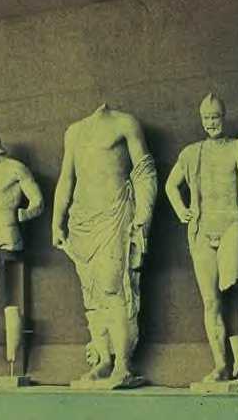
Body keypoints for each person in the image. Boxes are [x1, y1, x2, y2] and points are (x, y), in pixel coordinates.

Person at [52, 103, 157, 386]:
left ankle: (123, 363)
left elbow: (144, 170)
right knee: (91, 295)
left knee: (114, 287)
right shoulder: (74, 132)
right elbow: (66, 178)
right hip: (82, 219)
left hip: (114, 213)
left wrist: (143, 215)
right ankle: (103, 360)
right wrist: (56, 221)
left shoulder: (125, 123)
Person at [165, 93, 238, 382]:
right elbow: (171, 186)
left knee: (233, 286)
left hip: (231, 224)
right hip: (201, 229)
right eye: (206, 118)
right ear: (201, 120)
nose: (211, 123)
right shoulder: (191, 153)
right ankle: (221, 364)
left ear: (224, 117)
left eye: (215, 117)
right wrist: (181, 210)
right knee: (211, 301)